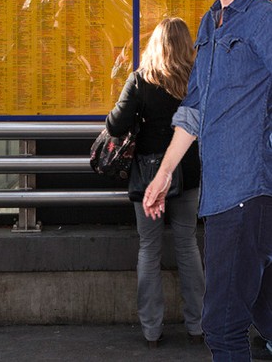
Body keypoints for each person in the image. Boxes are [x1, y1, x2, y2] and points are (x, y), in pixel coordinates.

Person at [143, 0, 272, 361]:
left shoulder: (265, 20)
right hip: (218, 197)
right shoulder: (208, 22)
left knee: (221, 326)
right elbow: (194, 107)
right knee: (264, 308)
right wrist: (162, 175)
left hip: (247, 193)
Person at [106, 17, 204, 348]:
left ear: (156, 45)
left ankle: (151, 330)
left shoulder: (140, 81)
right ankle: (197, 325)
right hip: (188, 175)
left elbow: (116, 126)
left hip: (148, 177)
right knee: (188, 244)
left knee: (149, 248)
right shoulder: (197, 80)